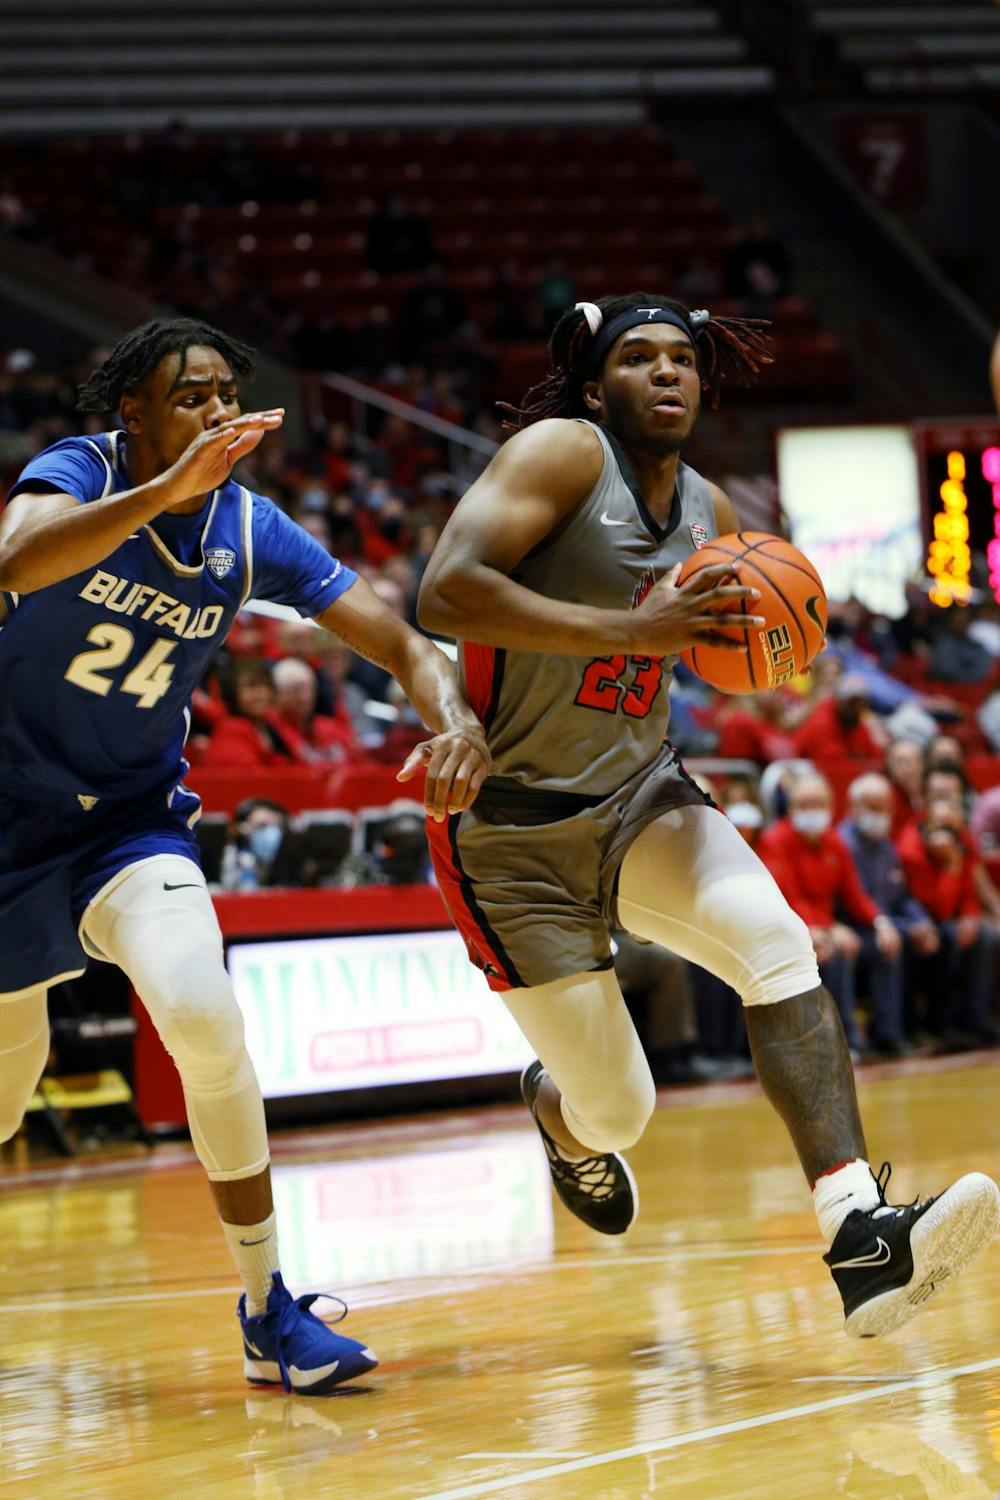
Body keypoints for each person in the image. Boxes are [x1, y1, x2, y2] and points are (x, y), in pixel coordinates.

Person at [417, 291, 999, 1338]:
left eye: (681, 357)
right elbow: (446, 593)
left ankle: (858, 1232)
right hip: (511, 833)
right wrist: (631, 635)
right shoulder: (557, 453)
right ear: (597, 387)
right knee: (619, 1112)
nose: (666, 372)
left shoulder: (712, 513)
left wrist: (764, 659)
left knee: (778, 945)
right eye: (637, 358)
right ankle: (557, 1110)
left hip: (640, 796)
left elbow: (727, 659)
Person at [0, 317, 491, 1394]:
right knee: (8, 1088)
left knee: (205, 1014)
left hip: (126, 821)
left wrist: (451, 716)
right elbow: (20, 559)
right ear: (133, 413)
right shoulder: (76, 472)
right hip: (6, 820)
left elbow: (405, 641)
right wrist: (161, 494)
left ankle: (268, 1308)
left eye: (229, 393)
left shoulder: (252, 527)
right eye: (192, 395)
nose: (219, 413)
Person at [757, 772, 889, 1052]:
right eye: (804, 805)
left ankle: (890, 1034)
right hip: (790, 929)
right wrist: (824, 929)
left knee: (886, 944)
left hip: (824, 927)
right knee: (836, 952)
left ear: (830, 807)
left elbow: (855, 896)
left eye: (818, 804)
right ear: (790, 808)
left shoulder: (834, 842)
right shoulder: (775, 840)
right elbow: (786, 899)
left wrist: (881, 923)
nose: (811, 811)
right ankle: (841, 1043)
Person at [838, 773, 938, 1055]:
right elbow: (853, 901)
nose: (878, 814)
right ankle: (883, 1034)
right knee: (891, 945)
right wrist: (890, 925)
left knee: (925, 936)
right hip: (853, 925)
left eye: (883, 807)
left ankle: (920, 1027)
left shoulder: (886, 847)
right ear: (852, 807)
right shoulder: (844, 843)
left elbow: (901, 896)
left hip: (884, 923)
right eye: (871, 806)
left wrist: (920, 921)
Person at [898, 798, 993, 1045]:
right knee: (947, 938)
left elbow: (969, 893)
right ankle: (941, 1024)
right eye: (939, 827)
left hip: (951, 919)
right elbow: (938, 907)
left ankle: (975, 1020)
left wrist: (971, 918)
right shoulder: (912, 850)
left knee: (984, 937)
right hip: (922, 919)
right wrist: (951, 864)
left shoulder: (965, 844)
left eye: (951, 829)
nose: (945, 835)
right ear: (927, 824)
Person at [792, 672, 886, 761]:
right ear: (839, 701)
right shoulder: (822, 722)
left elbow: (875, 756)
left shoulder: (853, 721)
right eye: (852, 702)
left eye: (862, 703)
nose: (857, 707)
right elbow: (833, 765)